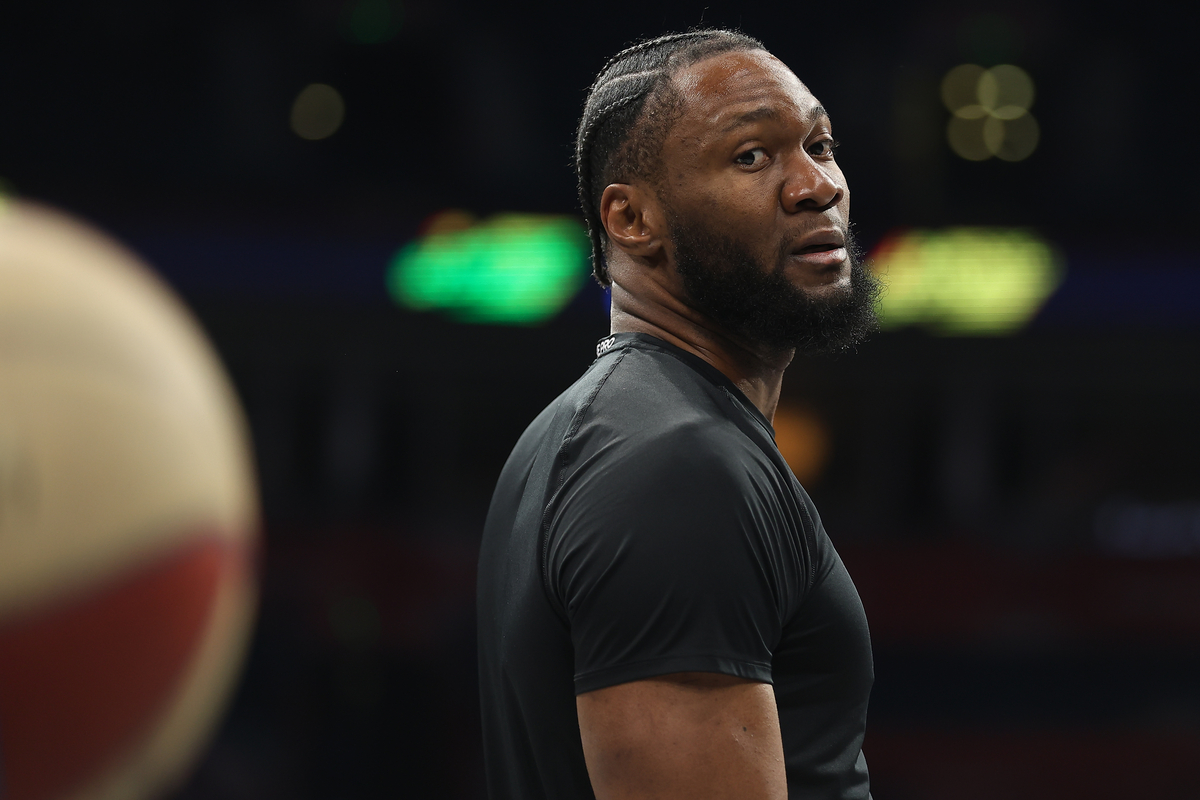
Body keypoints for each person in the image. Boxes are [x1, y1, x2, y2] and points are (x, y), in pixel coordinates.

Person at [476, 29, 882, 800]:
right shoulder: (677, 466)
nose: (815, 185)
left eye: (820, 145)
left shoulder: (607, 432)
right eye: (752, 157)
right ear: (632, 221)